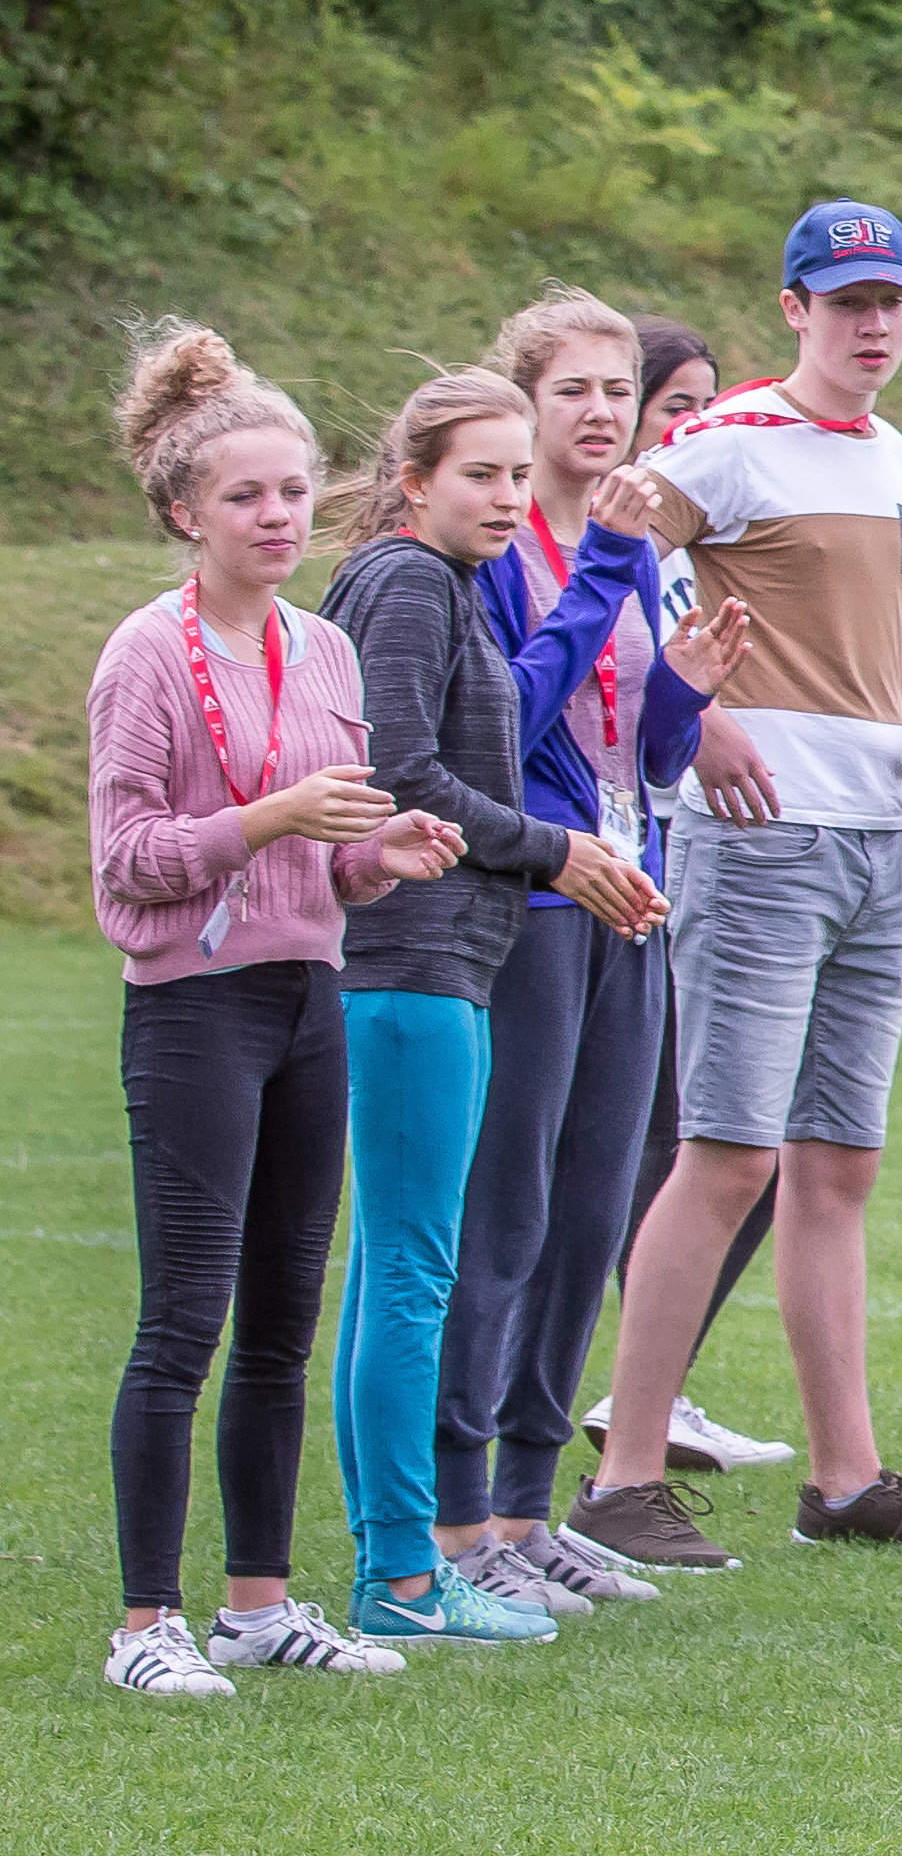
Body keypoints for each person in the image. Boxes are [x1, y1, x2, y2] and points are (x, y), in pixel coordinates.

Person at [564, 200, 902, 1568]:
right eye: (848, 300)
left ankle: (846, 1476)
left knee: (836, 1166)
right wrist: (685, 712)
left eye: (894, 302)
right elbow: (604, 557)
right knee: (728, 1157)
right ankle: (625, 1474)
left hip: (876, 841)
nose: (874, 325)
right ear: (794, 308)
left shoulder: (886, 452)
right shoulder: (725, 441)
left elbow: (874, 651)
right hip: (756, 845)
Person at [87, 327, 466, 1698]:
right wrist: (265, 819)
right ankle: (145, 1621)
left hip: (310, 995)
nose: (279, 516)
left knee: (282, 1322)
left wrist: (380, 851)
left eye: (297, 490)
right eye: (248, 495)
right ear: (187, 509)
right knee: (182, 1319)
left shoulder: (325, 650)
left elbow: (334, 861)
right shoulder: (146, 653)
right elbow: (127, 861)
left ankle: (258, 1602)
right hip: (193, 1010)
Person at [321, 367, 667, 1646]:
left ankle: (403, 1561)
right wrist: (551, 848)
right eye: (483, 473)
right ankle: (407, 1574)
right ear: (413, 481)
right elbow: (400, 771)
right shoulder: (407, 581)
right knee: (415, 1266)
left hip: (445, 958)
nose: (510, 496)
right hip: (410, 958)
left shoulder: (448, 583)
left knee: (402, 1267)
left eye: (520, 475)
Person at [432, 295, 753, 1621]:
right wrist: (612, 566)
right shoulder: (515, 549)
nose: (604, 411)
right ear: (526, 403)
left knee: (589, 1217)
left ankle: (527, 1507)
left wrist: (681, 686)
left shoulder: (637, 550)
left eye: (620, 387)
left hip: (633, 898)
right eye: (573, 388)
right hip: (537, 906)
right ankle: (457, 1528)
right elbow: (506, 720)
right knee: (506, 1214)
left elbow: (643, 755)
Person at [590, 313, 797, 1475]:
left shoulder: (693, 546)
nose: (689, 428)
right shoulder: (612, 544)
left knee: (726, 1146)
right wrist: (693, 715)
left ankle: (650, 1389)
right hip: (625, 864)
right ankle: (628, 1403)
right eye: (673, 407)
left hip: (682, 866)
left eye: (697, 407)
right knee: (677, 1146)